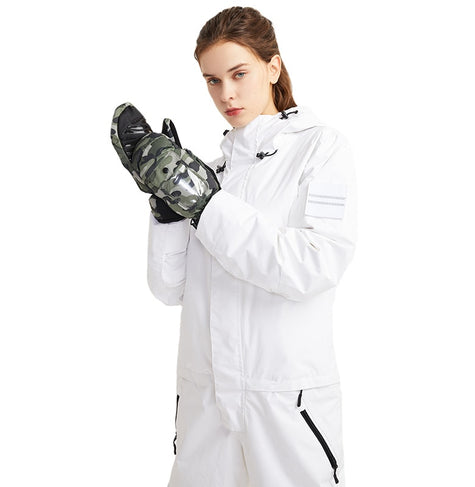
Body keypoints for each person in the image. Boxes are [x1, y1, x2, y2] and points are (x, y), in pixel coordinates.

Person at [111, 6, 358, 486]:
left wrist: (205, 204)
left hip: (286, 402)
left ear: (273, 66)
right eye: (212, 80)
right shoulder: (214, 171)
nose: (226, 93)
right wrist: (168, 207)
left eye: (238, 74)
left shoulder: (321, 149)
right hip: (205, 399)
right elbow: (169, 289)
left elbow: (313, 265)